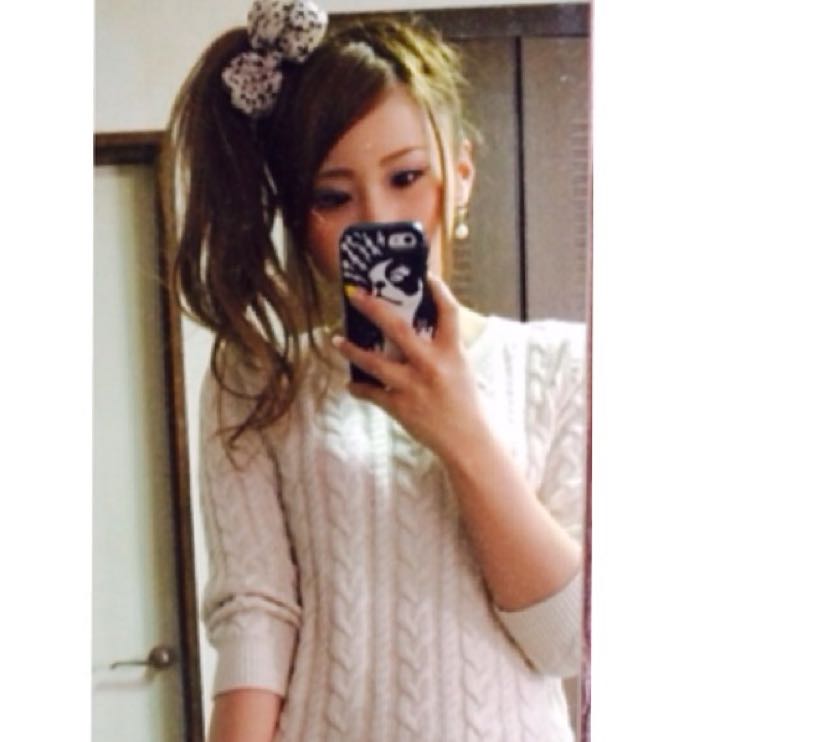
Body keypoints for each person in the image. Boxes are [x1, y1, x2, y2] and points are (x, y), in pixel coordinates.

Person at [169, 1, 586, 740]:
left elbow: (564, 644)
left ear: (461, 175)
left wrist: (459, 429)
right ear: (301, 220)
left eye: (407, 176)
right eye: (333, 196)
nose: (376, 217)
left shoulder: (561, 366)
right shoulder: (259, 378)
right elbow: (256, 620)